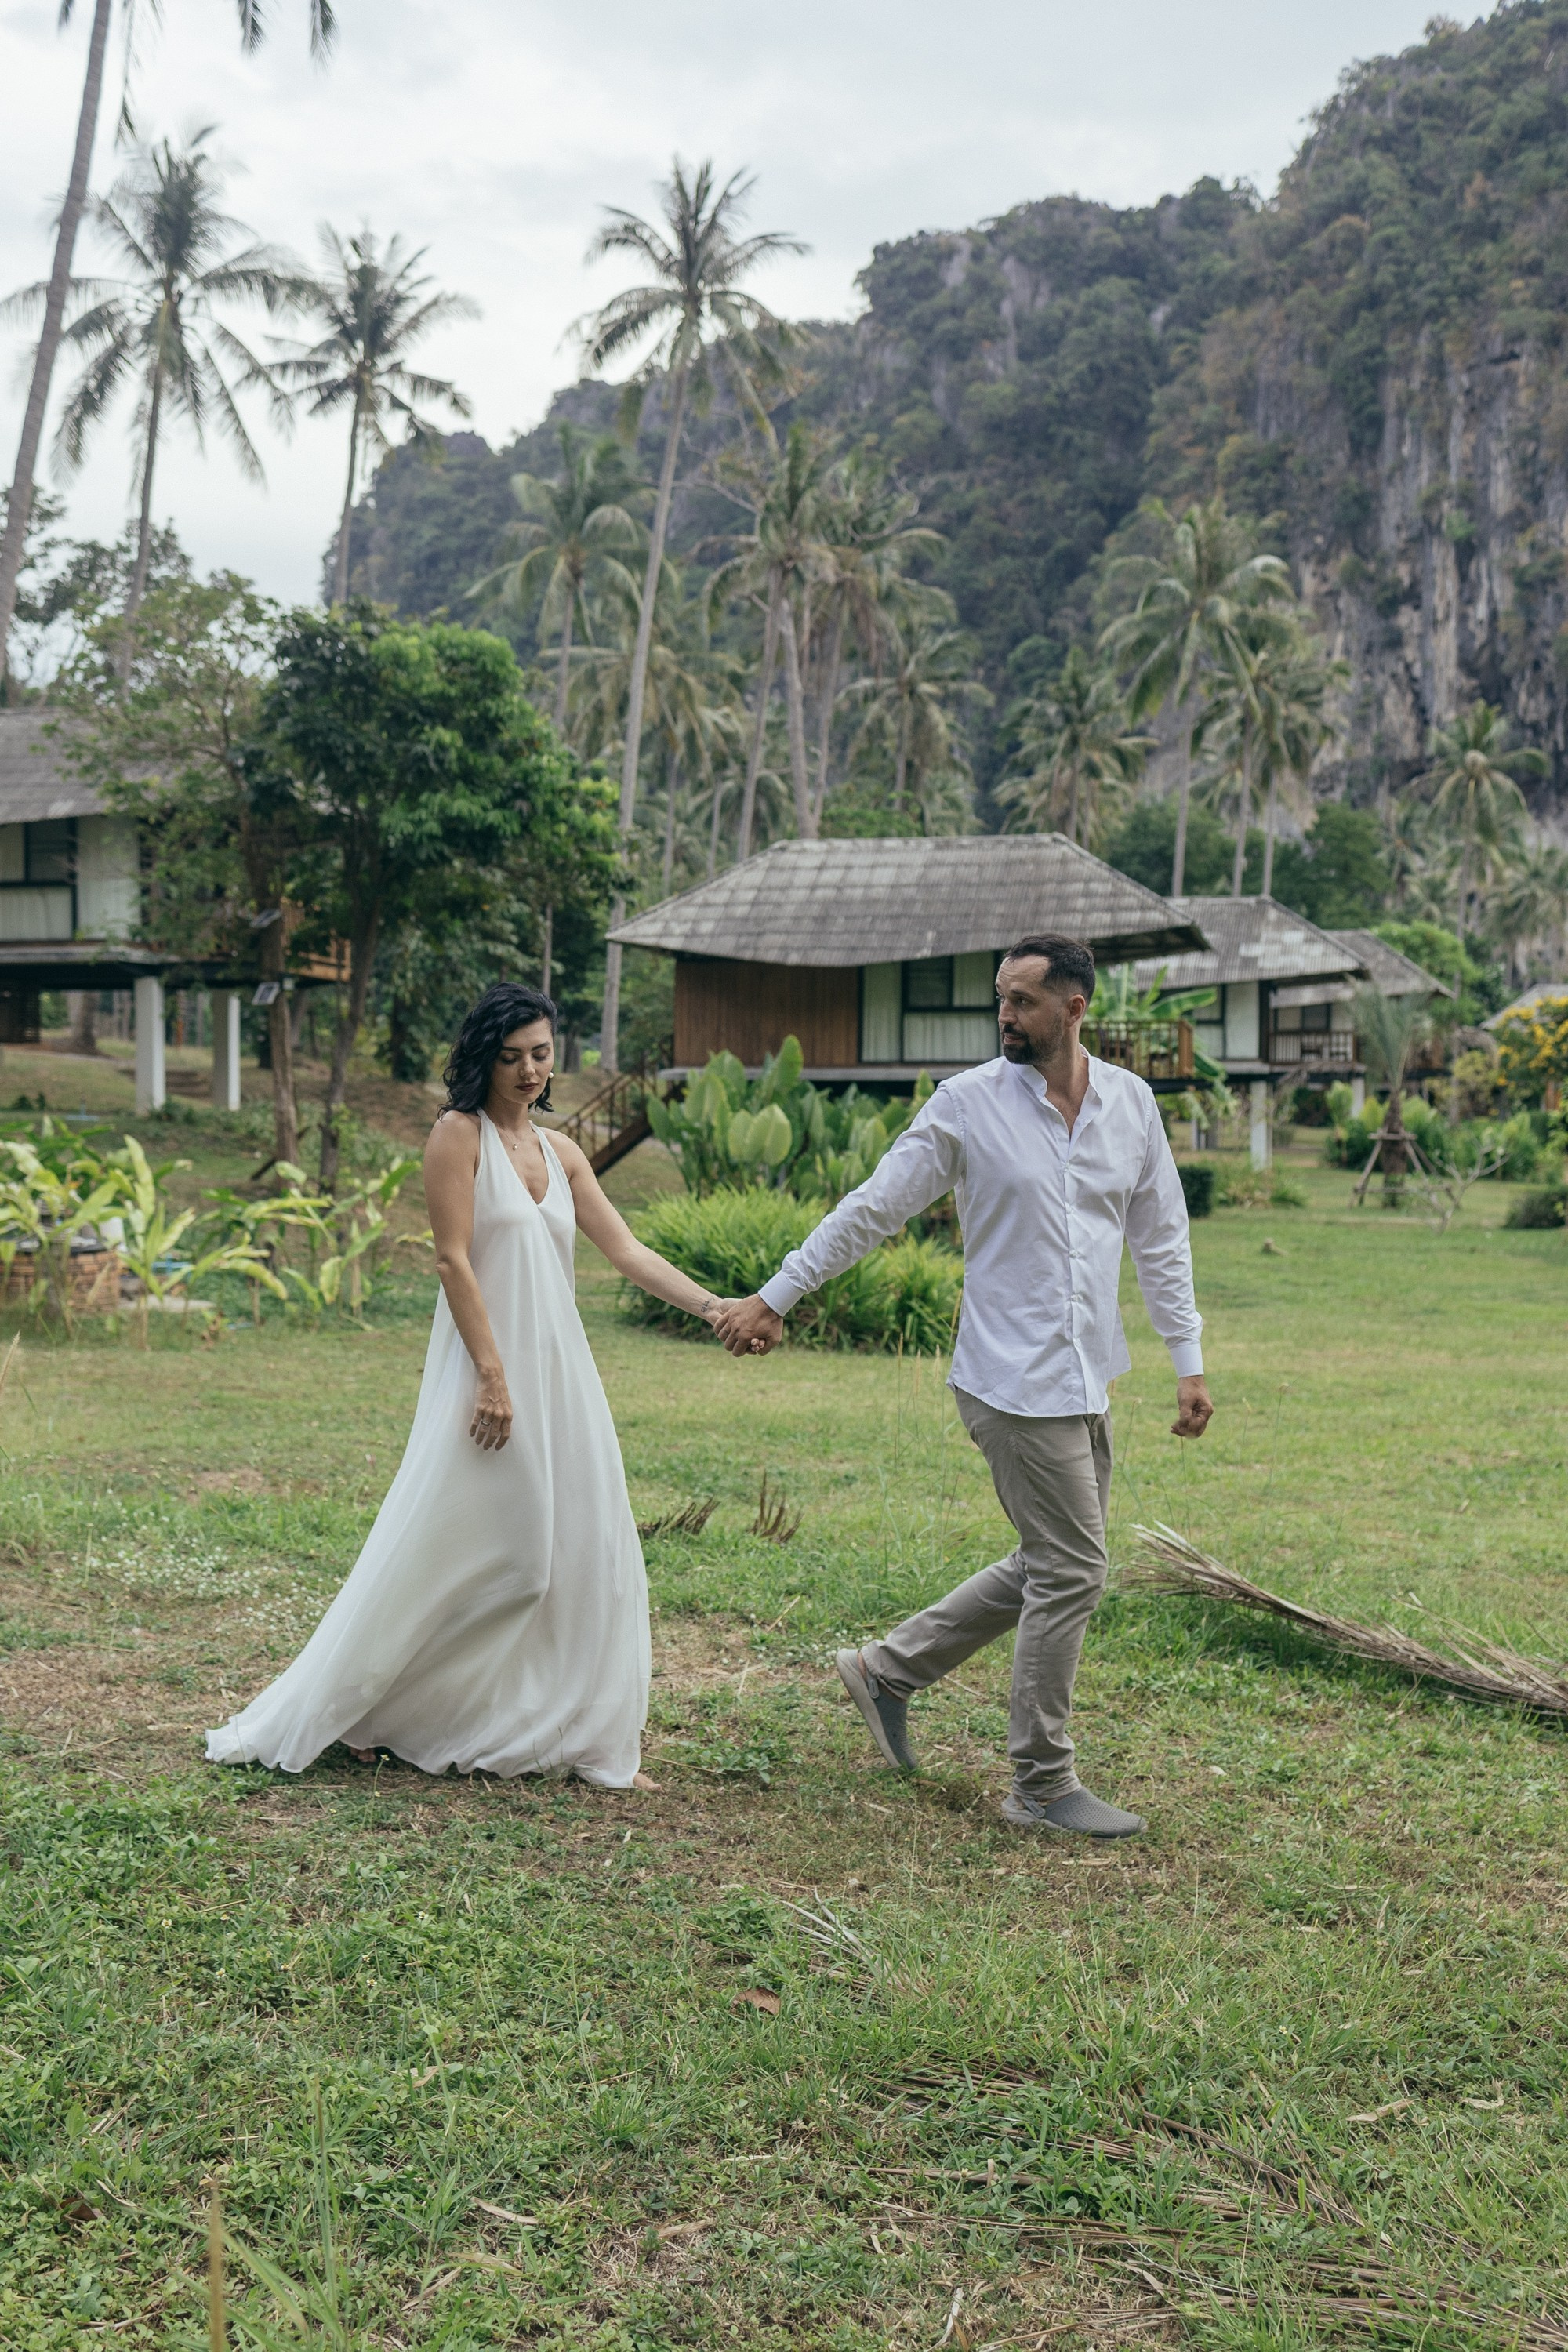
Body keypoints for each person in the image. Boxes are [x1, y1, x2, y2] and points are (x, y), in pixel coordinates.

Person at [714, 935, 1213, 1839]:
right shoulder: (967, 1105)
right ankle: (1039, 1785)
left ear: (1073, 1008)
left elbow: (1159, 1235)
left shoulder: (1129, 1105)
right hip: (1008, 1380)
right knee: (1072, 1568)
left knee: (1050, 1562)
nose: (1003, 1015)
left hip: (1083, 1373)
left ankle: (884, 1671)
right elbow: (874, 1208)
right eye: (999, 997)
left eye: (1022, 1000)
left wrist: (1187, 1359)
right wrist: (776, 1296)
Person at [207, 981, 739, 1788]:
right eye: (511, 1056)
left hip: (560, 1375)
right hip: (486, 1372)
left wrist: (716, 1309)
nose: (529, 1071)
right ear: (483, 1059)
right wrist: (491, 1376)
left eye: (541, 1054)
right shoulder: (457, 1136)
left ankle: (571, 1733)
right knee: (483, 1552)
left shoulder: (562, 1153)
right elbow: (452, 1260)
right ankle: (367, 1709)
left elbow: (626, 1252)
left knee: (577, 1548)